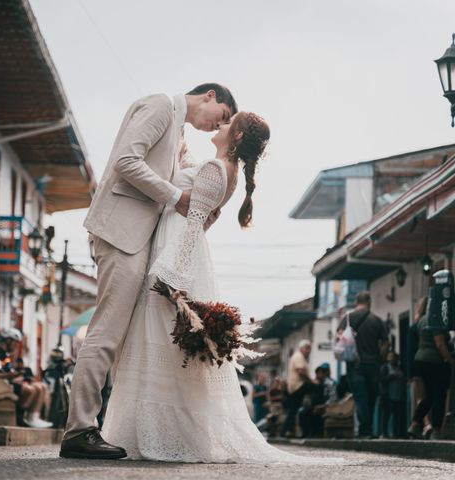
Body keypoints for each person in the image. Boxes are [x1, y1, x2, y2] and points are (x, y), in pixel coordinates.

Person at [99, 110, 339, 464]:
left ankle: (163, 435)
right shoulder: (220, 169)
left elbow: (194, 226)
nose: (221, 125)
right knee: (163, 347)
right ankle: (155, 432)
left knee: (160, 343)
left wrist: (169, 277)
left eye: (229, 123)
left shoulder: (216, 170)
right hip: (174, 252)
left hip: (174, 259)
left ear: (238, 136)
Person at [61, 83, 238, 460]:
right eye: (220, 117)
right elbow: (127, 162)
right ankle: (79, 430)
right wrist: (178, 198)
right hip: (121, 231)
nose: (214, 127)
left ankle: (98, 425)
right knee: (106, 332)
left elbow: (188, 175)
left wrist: (217, 187)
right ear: (209, 95)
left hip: (140, 237)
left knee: (121, 338)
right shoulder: (160, 106)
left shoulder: (179, 131)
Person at [336, 291, 389, 438]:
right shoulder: (377, 320)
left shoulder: (347, 318)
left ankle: (364, 430)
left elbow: (339, 338)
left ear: (356, 302)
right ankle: (368, 429)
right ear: (369, 302)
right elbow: (386, 343)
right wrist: (381, 358)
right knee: (371, 397)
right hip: (373, 364)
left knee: (360, 397)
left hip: (355, 364)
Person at [407, 303, 454, 440]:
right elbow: (439, 343)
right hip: (434, 361)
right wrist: (450, 359)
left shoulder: (422, 319)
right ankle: (437, 430)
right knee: (439, 395)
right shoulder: (436, 318)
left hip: (420, 359)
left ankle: (415, 423)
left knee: (429, 396)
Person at [0, 328, 52, 428]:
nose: (16, 346)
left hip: (7, 382)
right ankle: (20, 416)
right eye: (15, 343)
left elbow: (8, 371)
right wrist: (15, 378)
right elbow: (0, 372)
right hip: (0, 384)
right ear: (9, 341)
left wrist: (21, 378)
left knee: (42, 387)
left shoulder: (6, 355)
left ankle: (33, 417)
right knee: (30, 389)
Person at [281, 340, 317, 438]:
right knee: (317, 389)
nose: (308, 351)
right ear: (301, 348)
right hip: (298, 386)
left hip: (296, 387)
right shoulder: (298, 356)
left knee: (293, 410)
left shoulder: (301, 357)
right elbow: (301, 371)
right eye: (307, 348)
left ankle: (286, 430)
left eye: (310, 349)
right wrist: (312, 381)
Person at [407, 297, 432, 437]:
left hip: (417, 366)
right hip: (430, 364)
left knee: (421, 397)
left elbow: (410, 351)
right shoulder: (430, 325)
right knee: (431, 395)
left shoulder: (415, 326)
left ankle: (425, 423)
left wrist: (410, 373)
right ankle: (427, 423)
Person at [298, 363, 338, 438]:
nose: (317, 376)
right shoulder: (316, 383)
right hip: (315, 406)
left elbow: (333, 398)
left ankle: (317, 433)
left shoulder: (330, 383)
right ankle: (307, 434)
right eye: (316, 374)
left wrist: (323, 406)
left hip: (327, 406)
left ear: (324, 374)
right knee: (303, 412)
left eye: (319, 373)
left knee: (316, 412)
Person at [379, 351, 405, 438]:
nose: (391, 358)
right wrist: (392, 376)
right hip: (388, 395)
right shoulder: (385, 368)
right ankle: (384, 433)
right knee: (386, 415)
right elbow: (382, 379)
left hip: (398, 395)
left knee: (397, 416)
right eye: (389, 356)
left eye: (393, 356)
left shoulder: (399, 368)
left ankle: (396, 433)